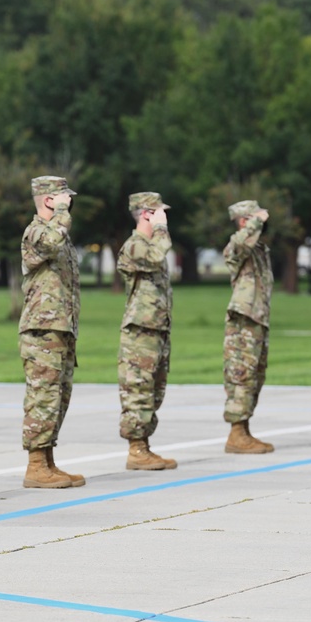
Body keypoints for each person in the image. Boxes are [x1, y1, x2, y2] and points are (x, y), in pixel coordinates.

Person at [19, 176, 84, 488]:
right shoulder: (38, 231)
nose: (69, 202)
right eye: (62, 197)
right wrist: (61, 214)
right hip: (41, 327)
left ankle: (47, 459)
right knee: (42, 395)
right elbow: (50, 243)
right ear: (48, 200)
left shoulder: (59, 232)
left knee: (59, 395)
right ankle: (35, 465)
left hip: (61, 326)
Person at [117, 192, 177, 471]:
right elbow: (155, 256)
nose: (165, 218)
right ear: (146, 214)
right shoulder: (135, 246)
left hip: (156, 328)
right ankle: (136, 449)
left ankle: (144, 446)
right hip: (140, 331)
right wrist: (162, 228)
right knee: (138, 388)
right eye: (160, 213)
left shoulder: (150, 245)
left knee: (155, 389)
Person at [222, 200, 275, 454]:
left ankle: (243, 430)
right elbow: (241, 244)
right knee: (241, 373)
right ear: (244, 221)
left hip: (258, 318)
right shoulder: (236, 245)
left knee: (256, 375)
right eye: (254, 218)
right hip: (244, 319)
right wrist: (257, 220)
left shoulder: (259, 248)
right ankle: (236, 433)